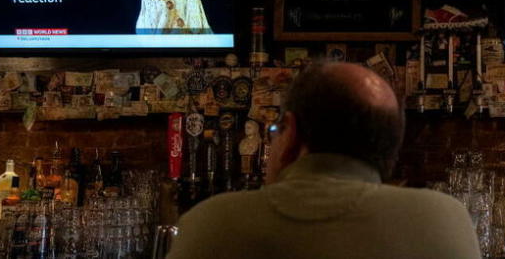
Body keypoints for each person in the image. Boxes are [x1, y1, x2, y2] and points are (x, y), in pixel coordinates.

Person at [167, 62, 481, 259]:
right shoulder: (443, 219)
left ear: (291, 134)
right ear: (390, 149)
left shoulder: (211, 223)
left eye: (275, 130)